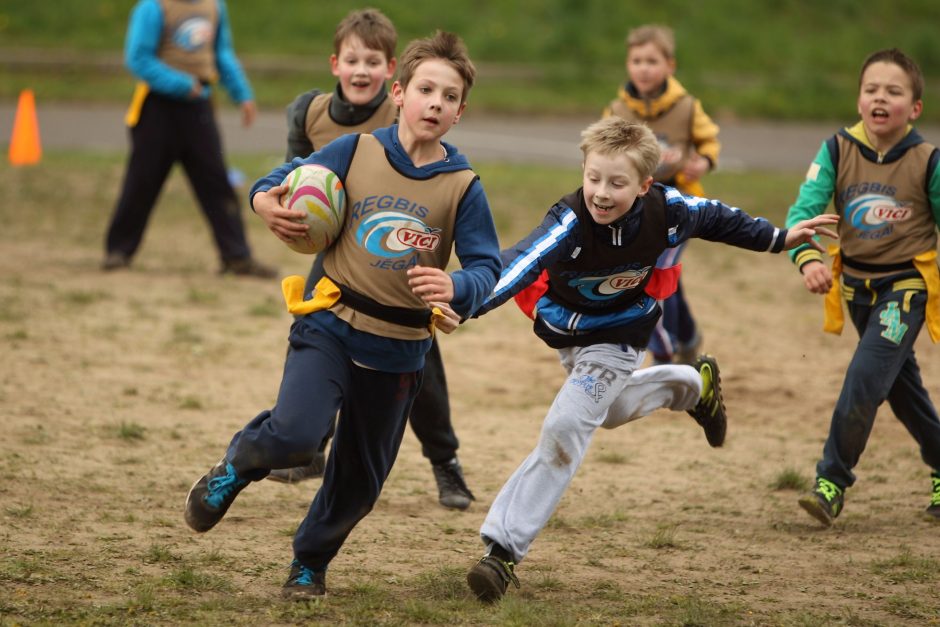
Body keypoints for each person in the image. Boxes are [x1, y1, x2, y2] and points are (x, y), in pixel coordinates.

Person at [464, 117, 839, 603]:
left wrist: (778, 238)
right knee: (609, 411)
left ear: (644, 185)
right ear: (583, 169)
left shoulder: (669, 210)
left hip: (621, 335)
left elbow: (718, 217)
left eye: (617, 183)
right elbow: (517, 262)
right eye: (593, 177)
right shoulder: (569, 220)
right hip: (572, 334)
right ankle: (692, 386)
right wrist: (460, 299)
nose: (601, 192)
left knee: (566, 426)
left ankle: (501, 552)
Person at [184, 31, 501, 600]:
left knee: (359, 481)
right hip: (331, 323)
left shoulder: (462, 186)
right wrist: (264, 202)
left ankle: (309, 563)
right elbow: (276, 180)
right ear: (399, 93)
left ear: (459, 113)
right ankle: (236, 465)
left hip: (401, 348)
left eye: (448, 97)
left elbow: (486, 268)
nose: (435, 103)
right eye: (425, 89)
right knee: (298, 434)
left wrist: (455, 284)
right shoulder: (356, 151)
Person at [255, 8, 475, 510]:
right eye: (352, 59)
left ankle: (446, 462)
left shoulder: (405, 113)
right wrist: (287, 212)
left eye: (372, 61)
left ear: (391, 74)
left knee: (423, 371)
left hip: (399, 258)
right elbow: (300, 181)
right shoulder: (308, 114)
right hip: (340, 255)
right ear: (336, 63)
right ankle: (311, 446)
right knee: (313, 339)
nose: (361, 70)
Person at [787, 48, 940, 528]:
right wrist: (809, 258)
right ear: (858, 99)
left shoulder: (926, 160)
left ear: (914, 108)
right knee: (899, 389)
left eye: (893, 92)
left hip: (907, 289)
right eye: (871, 89)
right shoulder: (836, 150)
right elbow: (802, 214)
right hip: (854, 288)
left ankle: (831, 481)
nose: (880, 98)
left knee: (863, 379)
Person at [102, 0, 276, 278]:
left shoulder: (214, 6)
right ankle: (118, 251)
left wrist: (242, 93)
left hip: (198, 107)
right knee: (142, 181)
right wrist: (181, 84)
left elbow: (222, 54)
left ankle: (236, 256)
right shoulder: (154, 7)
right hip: (157, 107)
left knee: (216, 182)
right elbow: (138, 58)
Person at [603, 24, 720, 365]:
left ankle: (663, 355)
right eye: (636, 60)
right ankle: (688, 335)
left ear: (670, 65)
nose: (643, 67)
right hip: (636, 206)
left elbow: (708, 138)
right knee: (667, 275)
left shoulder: (686, 106)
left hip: (679, 204)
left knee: (658, 270)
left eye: (651, 61)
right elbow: (600, 147)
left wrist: (703, 160)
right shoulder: (617, 110)